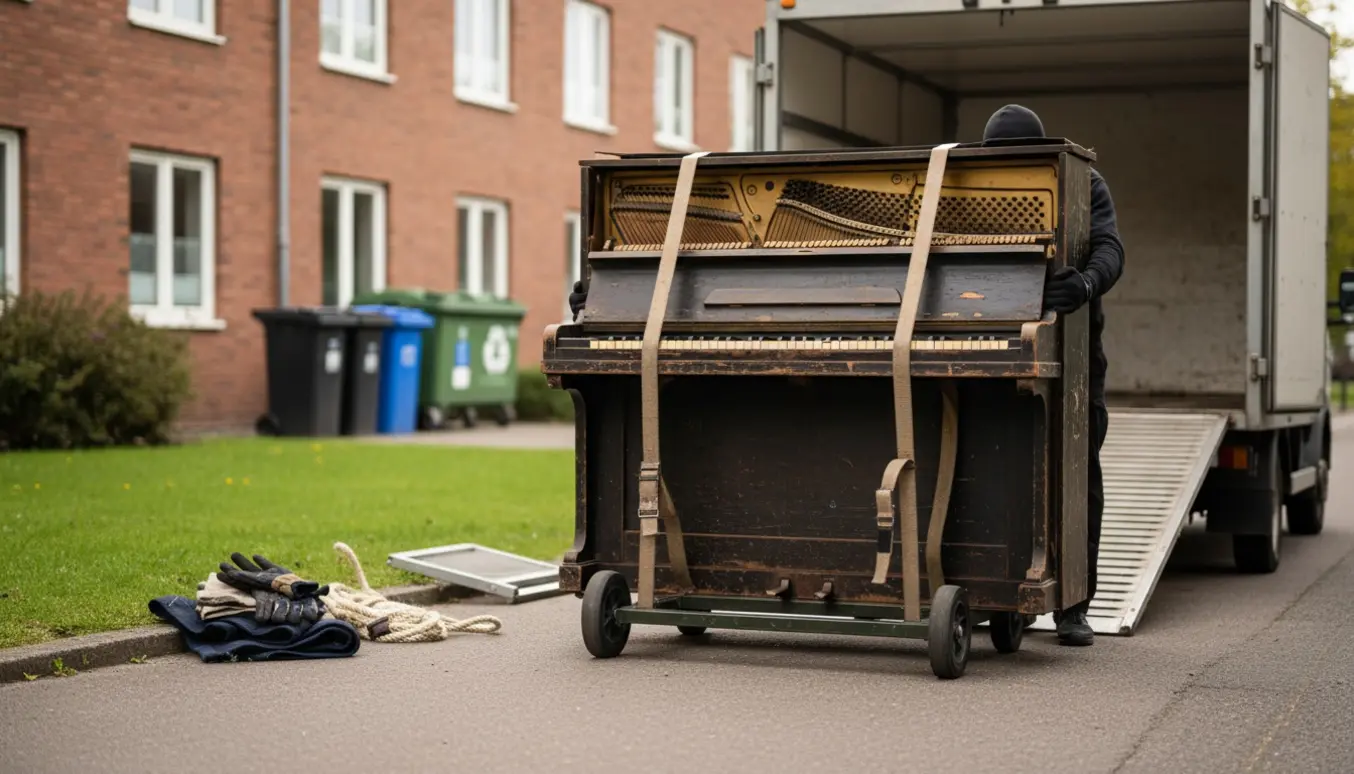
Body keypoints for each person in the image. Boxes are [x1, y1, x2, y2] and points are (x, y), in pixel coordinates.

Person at [981, 104, 1125, 647]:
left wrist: (1085, 285)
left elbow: (1111, 248)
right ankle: (1002, 590)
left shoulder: (1084, 180)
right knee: (1000, 468)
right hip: (998, 342)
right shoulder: (973, 182)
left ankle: (1073, 606)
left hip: (1074, 354)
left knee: (1077, 475)